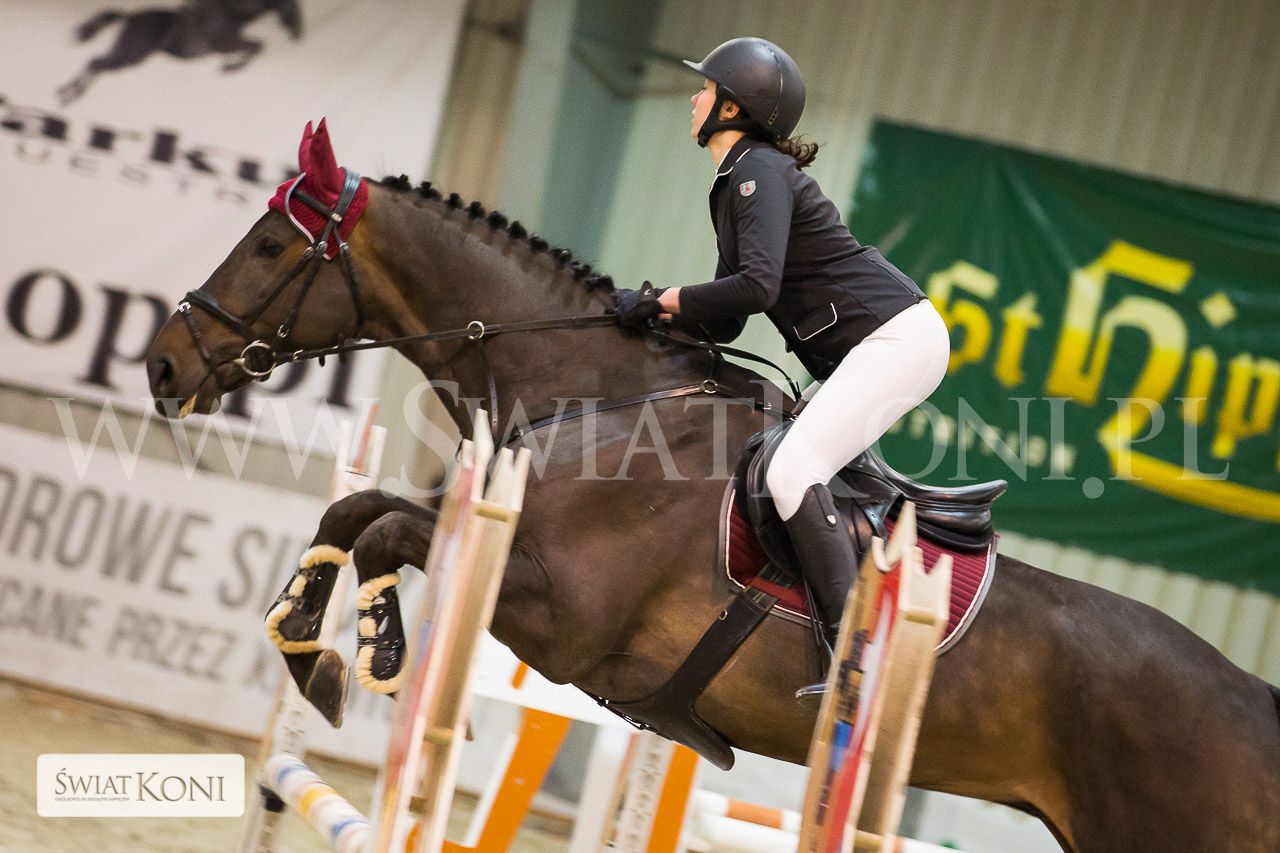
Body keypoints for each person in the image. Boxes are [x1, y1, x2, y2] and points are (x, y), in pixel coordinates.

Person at [614, 37, 951, 661]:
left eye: (705, 90)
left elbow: (757, 286)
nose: (694, 99)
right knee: (787, 460)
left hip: (896, 337)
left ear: (732, 108)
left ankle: (854, 651)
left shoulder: (758, 172)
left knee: (793, 470)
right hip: (881, 341)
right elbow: (730, 319)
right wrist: (652, 314)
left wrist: (662, 298)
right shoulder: (735, 180)